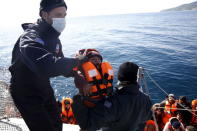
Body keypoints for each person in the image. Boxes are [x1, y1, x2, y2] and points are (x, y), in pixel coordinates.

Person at [9, 0, 87, 131]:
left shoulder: (54, 39)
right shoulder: (30, 37)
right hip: (25, 92)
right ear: (44, 14)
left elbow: (58, 62)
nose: (62, 19)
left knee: (57, 123)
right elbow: (44, 64)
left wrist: (75, 73)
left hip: (43, 86)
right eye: (58, 14)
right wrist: (77, 61)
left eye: (64, 15)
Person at [72, 61, 152, 131]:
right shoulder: (146, 100)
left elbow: (87, 125)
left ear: (120, 76)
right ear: (135, 77)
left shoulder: (113, 102)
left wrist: (79, 97)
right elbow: (147, 116)